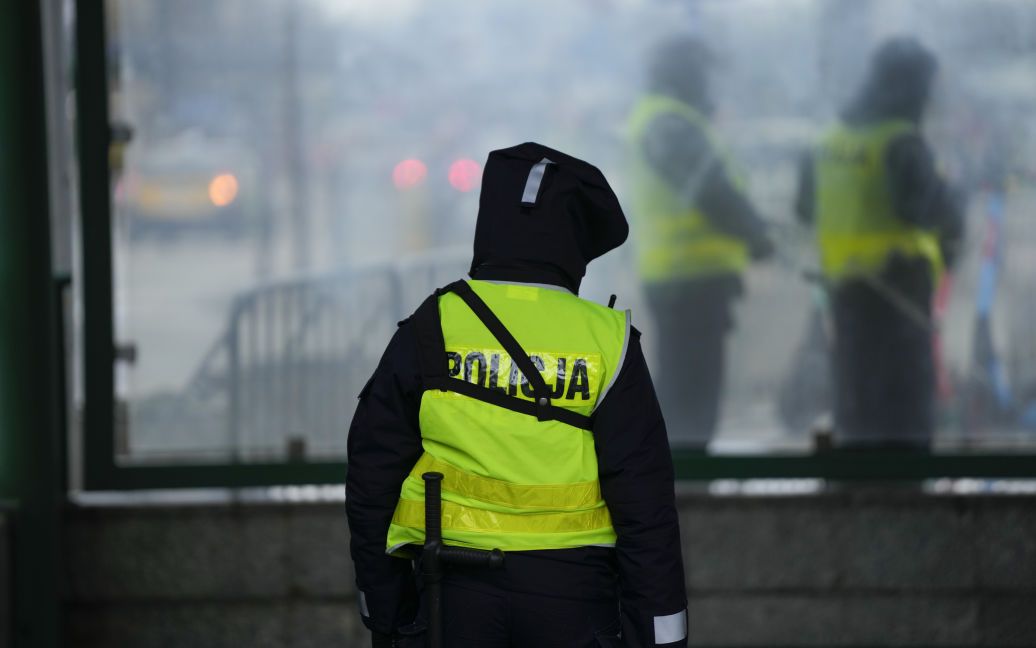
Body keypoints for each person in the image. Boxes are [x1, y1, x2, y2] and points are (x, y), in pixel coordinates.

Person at [346, 142, 688, 647]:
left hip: (451, 594)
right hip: (574, 596)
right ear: (576, 242)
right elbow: (645, 502)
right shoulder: (608, 340)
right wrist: (660, 634)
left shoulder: (433, 324)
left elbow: (373, 471)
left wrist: (387, 608)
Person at [795, 37, 965, 449]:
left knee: (855, 399)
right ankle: (904, 485)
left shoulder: (828, 141)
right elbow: (936, 213)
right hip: (899, 292)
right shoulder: (901, 144)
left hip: (845, 293)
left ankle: (857, 482)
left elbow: (804, 209)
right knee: (904, 409)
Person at [628, 35, 774, 449]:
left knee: (685, 393)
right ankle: (684, 480)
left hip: (682, 277)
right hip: (688, 278)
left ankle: (679, 476)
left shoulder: (665, 118)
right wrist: (755, 233)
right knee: (690, 402)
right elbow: (710, 190)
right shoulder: (670, 123)